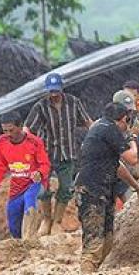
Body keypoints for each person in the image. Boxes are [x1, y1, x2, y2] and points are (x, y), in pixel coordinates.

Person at [75, 102, 139, 271]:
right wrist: (132, 137)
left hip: (101, 189)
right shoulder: (110, 129)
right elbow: (132, 159)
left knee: (107, 239)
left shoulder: (100, 127)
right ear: (122, 119)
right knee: (94, 242)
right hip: (92, 190)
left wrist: (136, 188)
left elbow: (117, 166)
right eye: (127, 121)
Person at [24, 72, 92, 235]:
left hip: (67, 153)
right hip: (46, 153)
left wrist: (97, 135)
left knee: (67, 188)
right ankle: (46, 219)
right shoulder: (41, 106)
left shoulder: (73, 103)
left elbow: (87, 122)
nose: (54, 94)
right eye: (51, 91)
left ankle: (57, 221)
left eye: (56, 90)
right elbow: (28, 128)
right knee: (43, 189)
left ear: (61, 88)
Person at [0, 112, 51, 240]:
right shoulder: (2, 141)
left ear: (20, 127)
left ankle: (29, 239)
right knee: (13, 223)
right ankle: (19, 244)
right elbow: (0, 165)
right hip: (17, 186)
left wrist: (39, 173)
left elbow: (45, 164)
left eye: (11, 130)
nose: (9, 134)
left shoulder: (34, 142)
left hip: (34, 183)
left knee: (29, 202)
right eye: (5, 131)